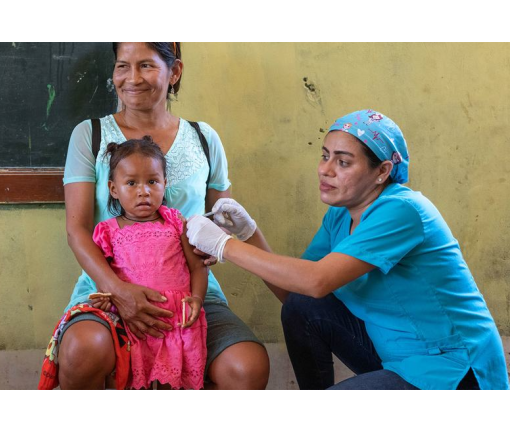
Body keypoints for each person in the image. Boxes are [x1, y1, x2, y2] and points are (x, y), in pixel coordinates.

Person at [187, 109, 510, 390]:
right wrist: (249, 233)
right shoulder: (341, 214)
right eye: (325, 155)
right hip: (393, 355)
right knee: (301, 308)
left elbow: (317, 280)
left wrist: (224, 245)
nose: (326, 170)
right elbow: (297, 293)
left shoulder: (403, 210)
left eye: (343, 162)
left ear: (382, 172)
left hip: (450, 369)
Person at [40, 42, 270, 390]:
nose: (132, 78)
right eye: (122, 66)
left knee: (247, 367)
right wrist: (118, 290)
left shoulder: (204, 138)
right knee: (83, 349)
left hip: (191, 293)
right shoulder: (90, 135)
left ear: (174, 72)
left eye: (146, 65)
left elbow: (218, 221)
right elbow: (77, 230)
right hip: (107, 288)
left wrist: (211, 246)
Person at [88, 137, 207, 389]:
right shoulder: (107, 232)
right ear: (113, 189)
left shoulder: (175, 222)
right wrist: (105, 297)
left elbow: (197, 266)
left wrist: (197, 298)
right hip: (133, 319)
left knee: (172, 384)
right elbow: (106, 280)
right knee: (136, 381)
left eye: (152, 181)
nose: (144, 191)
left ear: (165, 183)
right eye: (131, 183)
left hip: (177, 319)